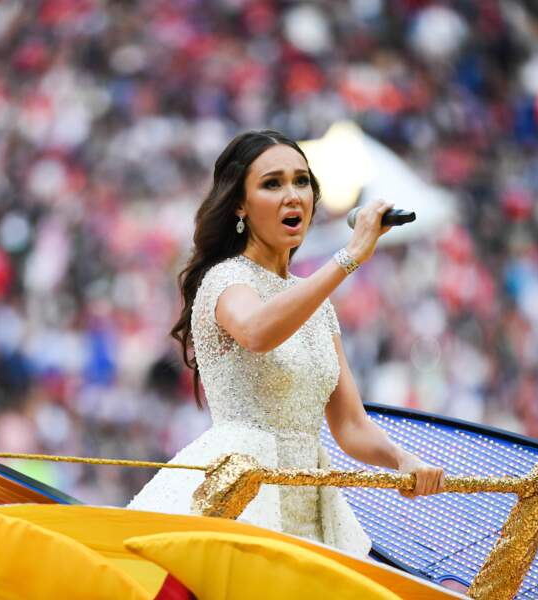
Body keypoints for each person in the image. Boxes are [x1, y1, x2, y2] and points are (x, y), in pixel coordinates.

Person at [128, 129, 445, 557]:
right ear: (239, 204)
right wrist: (348, 258)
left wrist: (403, 460)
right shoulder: (225, 279)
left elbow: (350, 426)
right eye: (272, 184)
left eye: (301, 182)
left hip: (309, 498)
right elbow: (257, 332)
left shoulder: (315, 301)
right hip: (242, 493)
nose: (292, 195)